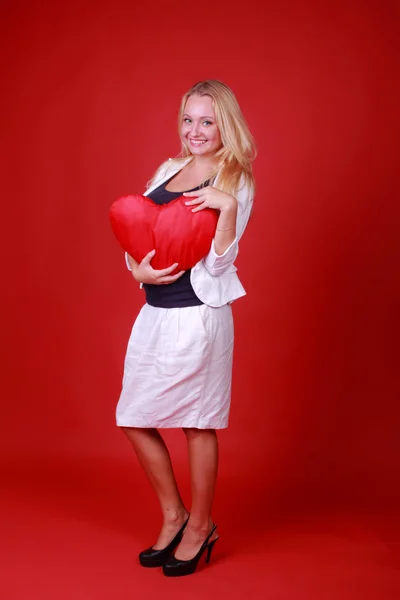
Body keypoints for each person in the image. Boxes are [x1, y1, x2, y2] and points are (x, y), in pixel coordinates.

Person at [116, 79, 256, 577]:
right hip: (154, 313)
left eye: (207, 121)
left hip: (198, 316)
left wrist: (228, 208)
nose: (195, 131)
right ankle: (173, 514)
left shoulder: (234, 177)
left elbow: (219, 267)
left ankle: (200, 526)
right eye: (188, 120)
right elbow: (142, 230)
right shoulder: (169, 168)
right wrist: (137, 270)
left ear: (225, 126)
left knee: (197, 422)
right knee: (133, 415)